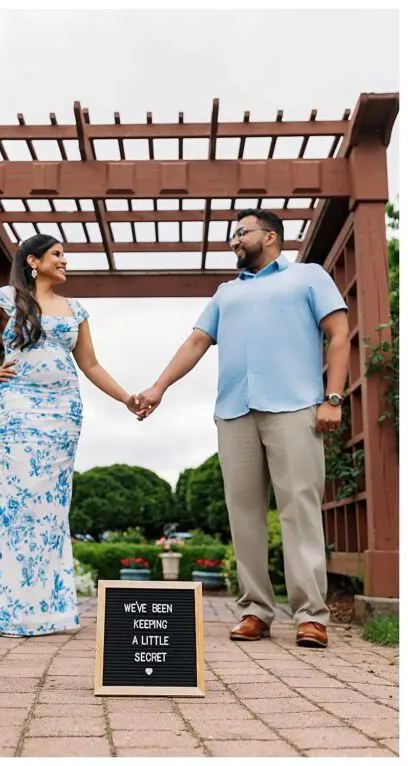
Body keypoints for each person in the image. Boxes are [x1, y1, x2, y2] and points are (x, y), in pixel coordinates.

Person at [136, 208, 350, 649]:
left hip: (296, 408)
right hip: (234, 411)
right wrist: (159, 386)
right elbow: (196, 341)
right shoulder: (225, 293)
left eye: (240, 233)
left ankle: (311, 615)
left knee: (300, 512)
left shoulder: (308, 277)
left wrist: (333, 398)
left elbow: (340, 332)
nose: (234, 241)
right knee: (244, 516)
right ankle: (255, 610)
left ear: (269, 236)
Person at [0, 233, 142, 636]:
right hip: (19, 408)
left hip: (63, 413)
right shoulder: (7, 297)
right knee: (19, 500)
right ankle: (6, 609)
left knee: (52, 506)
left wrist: (126, 398)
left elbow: (90, 365)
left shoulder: (76, 309)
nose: (65, 260)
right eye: (57, 254)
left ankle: (47, 611)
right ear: (33, 261)